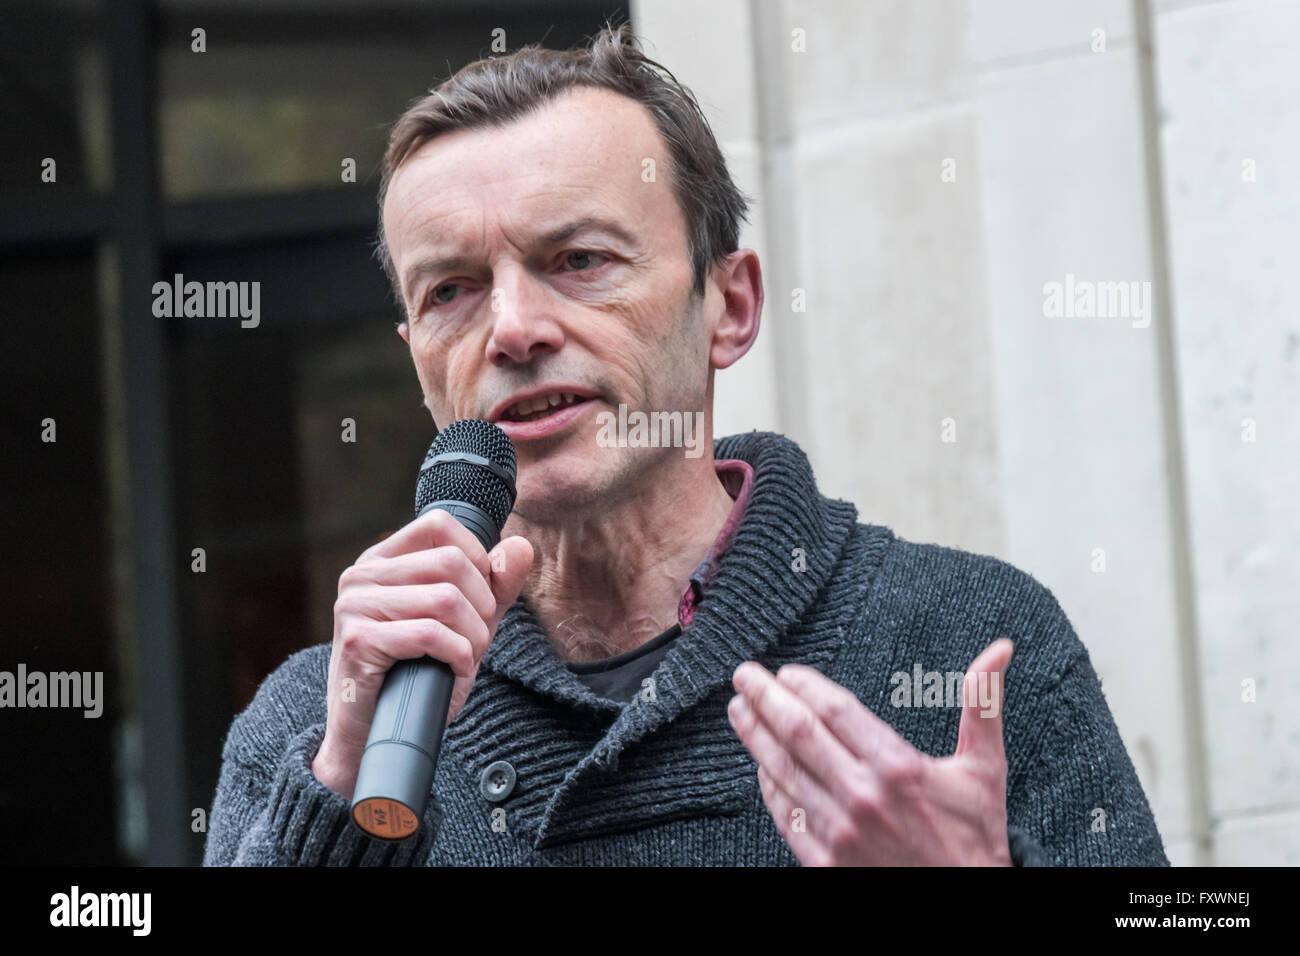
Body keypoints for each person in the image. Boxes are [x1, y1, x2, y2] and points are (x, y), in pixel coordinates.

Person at [203, 21, 1168, 866]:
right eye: (450, 290)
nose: (512, 329)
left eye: (578, 261)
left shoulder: (964, 645)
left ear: (731, 305)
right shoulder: (316, 728)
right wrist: (337, 805)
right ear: (418, 360)